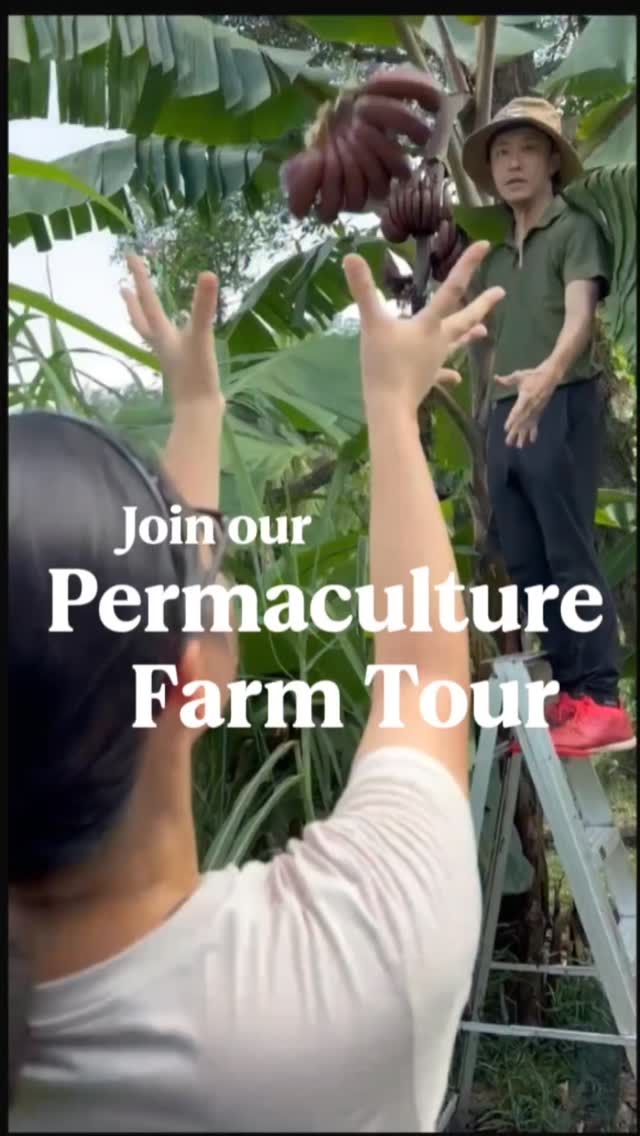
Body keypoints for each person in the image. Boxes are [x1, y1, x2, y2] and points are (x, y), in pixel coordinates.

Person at [9, 245, 503, 1132]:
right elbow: (425, 675)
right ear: (192, 685)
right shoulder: (353, 970)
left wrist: (197, 411)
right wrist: (394, 407)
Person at [462, 96, 635, 757]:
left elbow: (579, 318)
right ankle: (566, 695)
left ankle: (602, 699)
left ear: (552, 163)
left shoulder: (572, 230)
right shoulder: (495, 255)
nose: (512, 163)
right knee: (528, 562)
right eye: (502, 152)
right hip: (504, 416)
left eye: (526, 150)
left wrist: (544, 376)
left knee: (569, 554)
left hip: (561, 401)